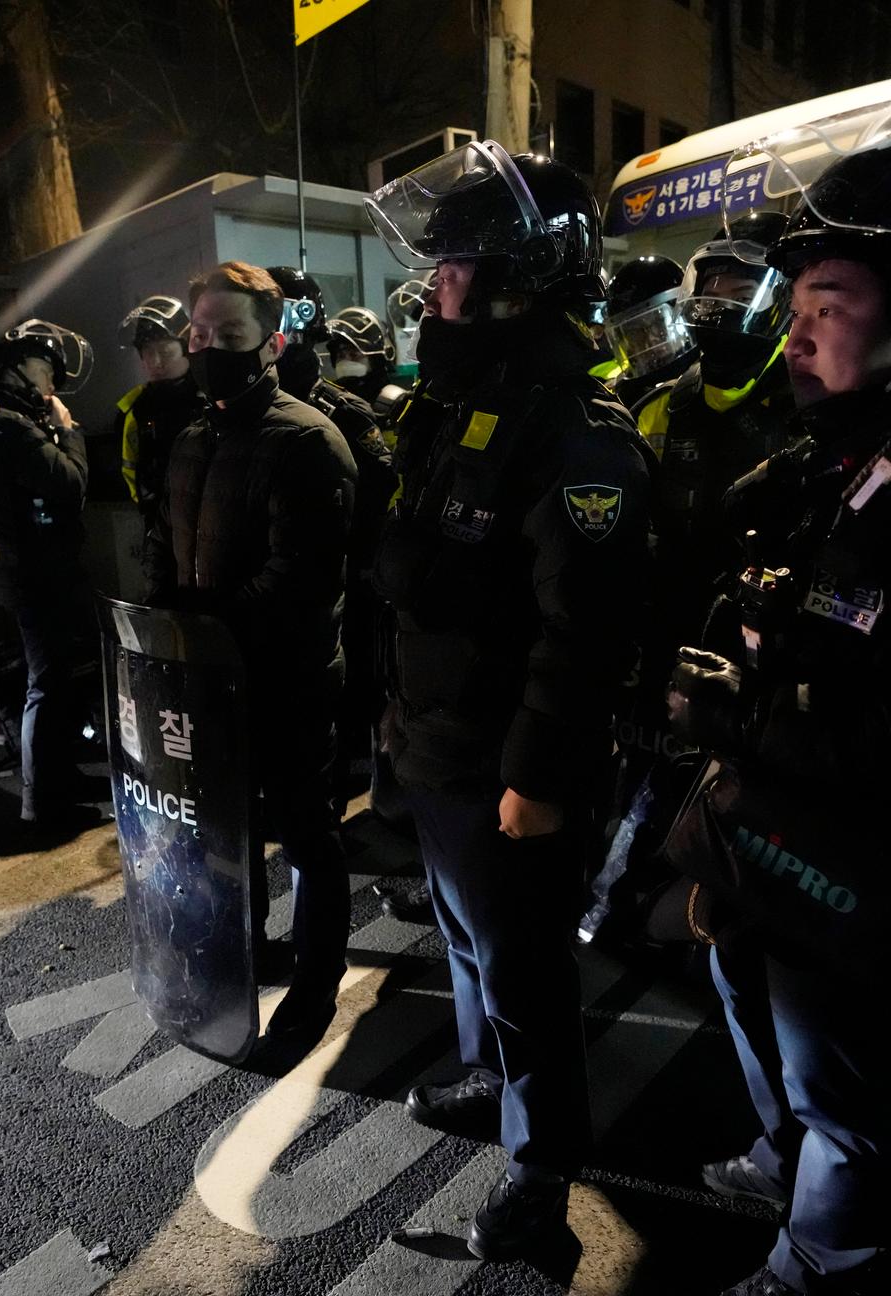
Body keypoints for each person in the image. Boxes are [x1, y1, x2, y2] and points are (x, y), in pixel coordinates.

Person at [364, 141, 650, 1258]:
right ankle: (488, 1081)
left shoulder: (577, 432)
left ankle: (540, 1185)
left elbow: (584, 636)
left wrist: (536, 779)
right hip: (439, 746)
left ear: (519, 278)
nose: (434, 290)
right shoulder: (459, 401)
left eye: (454, 269)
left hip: (501, 768)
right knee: (472, 947)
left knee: (527, 977)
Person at [667, 140, 891, 1296]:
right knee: (766, 1034)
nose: (795, 333)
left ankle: (817, 1264)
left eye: (830, 303)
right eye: (792, 305)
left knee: (845, 1098)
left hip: (849, 873)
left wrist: (741, 716)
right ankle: (785, 1158)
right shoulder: (820, 469)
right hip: (769, 838)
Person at [143, 260, 357, 1045]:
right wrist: (166, 631)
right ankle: (244, 951)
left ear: (271, 342)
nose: (207, 349)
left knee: (305, 831)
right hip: (207, 682)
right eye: (199, 334)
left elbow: (298, 579)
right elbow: (165, 547)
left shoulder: (307, 441)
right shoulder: (192, 437)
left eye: (228, 335)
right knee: (222, 829)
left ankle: (317, 983)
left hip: (287, 678)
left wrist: (208, 634)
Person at [581, 217, 796, 950]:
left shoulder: (804, 413)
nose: (716, 305)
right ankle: (626, 912)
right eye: (707, 288)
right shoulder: (662, 404)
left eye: (739, 291)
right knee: (646, 803)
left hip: (761, 678)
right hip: (665, 653)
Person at [266, 267, 397, 816]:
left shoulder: (343, 412)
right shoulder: (234, 417)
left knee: (347, 712)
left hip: (338, 600)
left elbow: (384, 495)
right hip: (267, 602)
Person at [0, 319, 104, 833]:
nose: (50, 387)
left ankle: (59, 779)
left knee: (57, 676)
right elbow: (70, 483)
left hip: (31, 570)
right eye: (46, 371)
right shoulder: (8, 427)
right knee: (47, 682)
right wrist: (68, 430)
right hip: (36, 575)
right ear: (20, 366)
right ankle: (42, 802)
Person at [115, 295, 204, 522]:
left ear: (186, 348)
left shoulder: (212, 398)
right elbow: (132, 469)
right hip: (160, 522)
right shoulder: (136, 407)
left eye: (165, 352)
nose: (155, 362)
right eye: (147, 352)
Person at [603, 254, 696, 409]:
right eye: (635, 330)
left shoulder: (707, 381)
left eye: (658, 322)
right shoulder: (619, 396)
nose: (649, 339)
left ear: (685, 315)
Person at [326, 305, 400, 410]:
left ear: (377, 360)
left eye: (354, 355)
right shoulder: (331, 404)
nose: (345, 361)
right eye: (340, 356)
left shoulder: (396, 403)